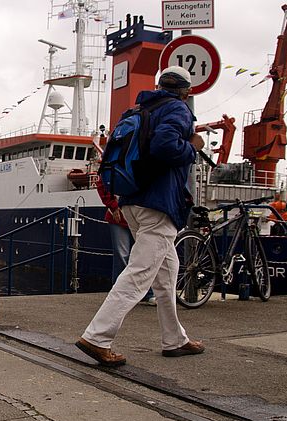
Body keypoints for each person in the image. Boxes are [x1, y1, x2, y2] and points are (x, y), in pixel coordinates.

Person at [75, 66, 206, 366]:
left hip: (132, 201)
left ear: (160, 85)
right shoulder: (177, 109)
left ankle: (175, 339)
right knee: (139, 274)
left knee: (165, 274)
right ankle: (97, 337)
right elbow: (165, 146)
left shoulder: (137, 110)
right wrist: (192, 147)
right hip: (159, 205)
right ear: (186, 91)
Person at [96, 174, 155, 305]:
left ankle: (146, 292)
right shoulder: (119, 163)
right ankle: (121, 293)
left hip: (137, 216)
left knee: (140, 255)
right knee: (123, 255)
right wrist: (113, 206)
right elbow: (102, 183)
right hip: (121, 216)